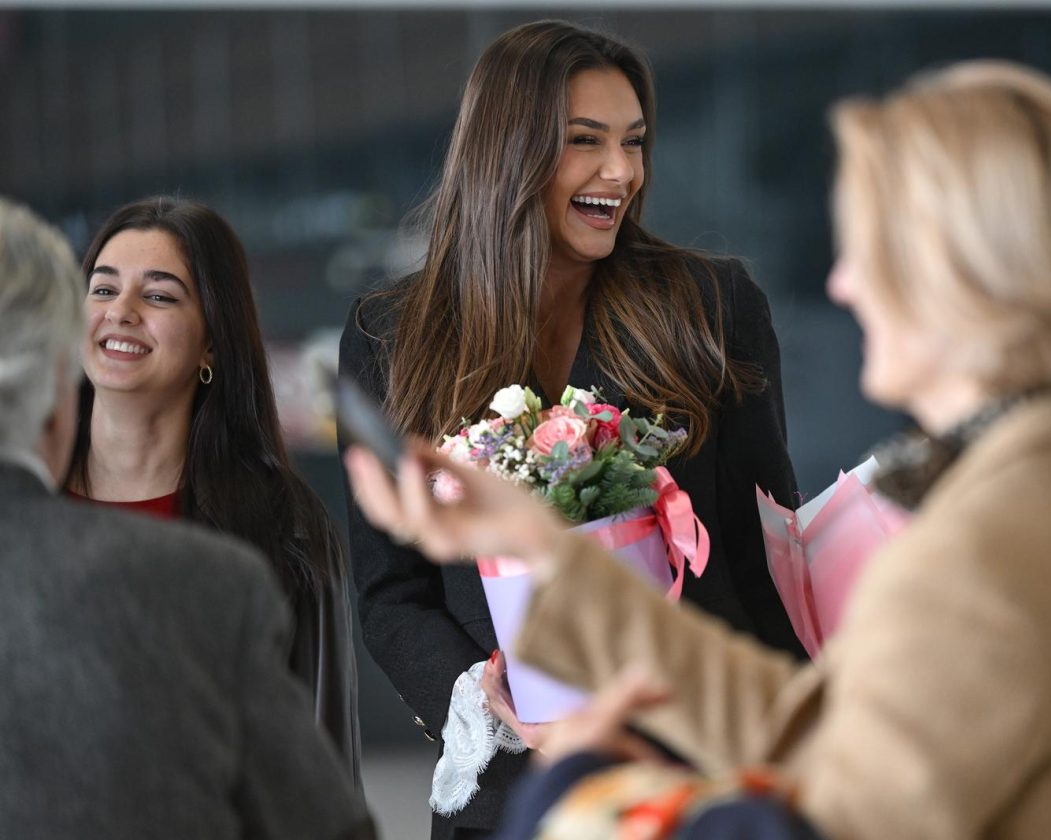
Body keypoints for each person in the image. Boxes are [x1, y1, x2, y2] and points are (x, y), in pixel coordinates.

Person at [346, 61, 1051, 840]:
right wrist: (546, 560)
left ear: (966, 268)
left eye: (868, 243)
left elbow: (810, 814)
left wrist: (578, 772)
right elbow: (815, 730)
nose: (842, 281)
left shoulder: (979, 565)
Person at [338, 19, 801, 837]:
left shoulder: (711, 306)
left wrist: (799, 767)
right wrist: (484, 702)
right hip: (509, 793)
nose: (620, 171)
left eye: (634, 141)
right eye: (585, 140)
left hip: (693, 778)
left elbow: (762, 552)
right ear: (507, 152)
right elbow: (390, 592)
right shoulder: (390, 335)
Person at [0, 196, 373, 839]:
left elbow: (322, 774)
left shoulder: (285, 528)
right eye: (103, 288)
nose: (121, 311)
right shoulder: (24, 514)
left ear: (212, 338)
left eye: (161, 296)